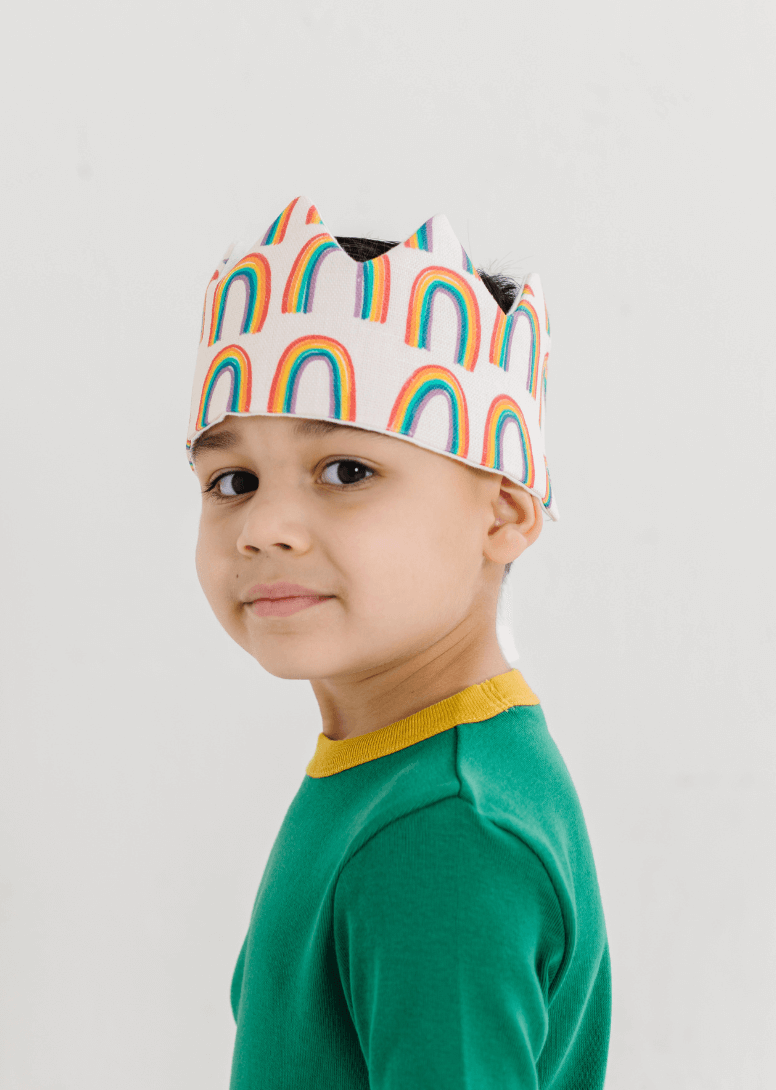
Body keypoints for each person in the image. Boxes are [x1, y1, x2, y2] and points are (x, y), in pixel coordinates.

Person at [186, 196, 610, 1089]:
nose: (264, 525)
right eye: (232, 478)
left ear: (501, 511)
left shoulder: (442, 835)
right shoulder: (405, 769)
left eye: (347, 469)